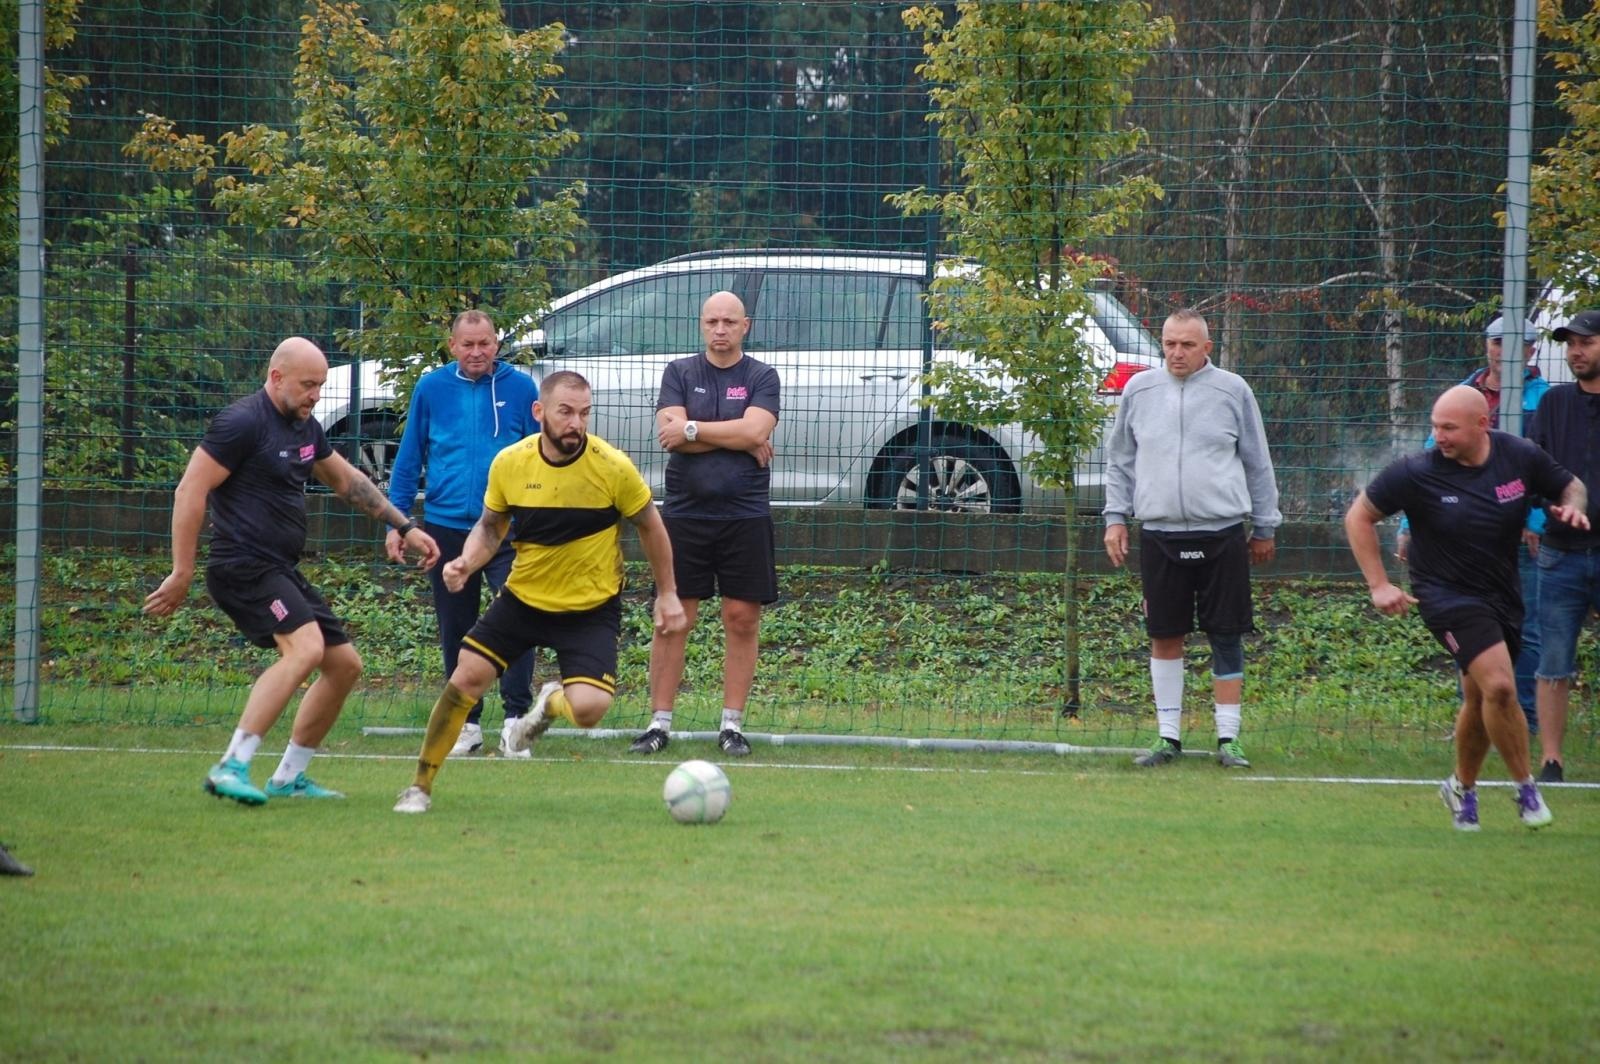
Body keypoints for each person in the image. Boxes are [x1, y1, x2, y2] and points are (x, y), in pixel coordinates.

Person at [144, 337, 441, 805]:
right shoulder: (241, 423)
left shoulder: (305, 427)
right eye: (308, 385)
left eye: (321, 385)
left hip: (279, 568)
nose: (315, 395)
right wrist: (181, 571)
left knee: (344, 667)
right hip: (242, 567)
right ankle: (232, 764)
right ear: (276, 377)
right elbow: (189, 491)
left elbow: (348, 481)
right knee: (304, 650)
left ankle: (288, 778)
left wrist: (404, 526)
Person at [394, 371, 688, 814]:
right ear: (539, 412)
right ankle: (419, 786)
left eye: (584, 413)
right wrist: (466, 562)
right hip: (524, 600)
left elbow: (651, 526)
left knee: (589, 710)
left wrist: (667, 593)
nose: (576, 423)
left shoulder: (613, 467)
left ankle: (551, 701)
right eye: (565, 412)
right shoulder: (511, 463)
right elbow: (490, 528)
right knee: (465, 677)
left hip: (590, 607)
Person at [1345, 385, 1584, 830]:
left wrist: (1572, 508)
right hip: (1445, 595)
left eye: (1449, 428)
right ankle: (1527, 791)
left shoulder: (1519, 456)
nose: (1439, 437)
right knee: (1499, 687)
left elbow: (1571, 486)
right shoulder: (1416, 472)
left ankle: (1461, 788)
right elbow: (1359, 517)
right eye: (1435, 427)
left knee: (1478, 699)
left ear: (1482, 424)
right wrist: (1378, 585)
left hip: (1503, 596)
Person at [1103, 308, 1281, 769]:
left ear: (1207, 346)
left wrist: (1265, 525)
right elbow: (1120, 460)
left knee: (1226, 633)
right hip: (1159, 534)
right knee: (1165, 634)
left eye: (1187, 344)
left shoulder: (1233, 391)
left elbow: (1257, 462)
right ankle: (1168, 738)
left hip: (1222, 533)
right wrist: (1115, 517)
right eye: (1169, 344)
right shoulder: (1139, 391)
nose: (1176, 353)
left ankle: (1228, 739)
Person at [630, 291, 780, 759]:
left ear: (745, 326)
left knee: (742, 618)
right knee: (675, 619)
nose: (720, 329)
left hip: (745, 515)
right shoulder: (679, 372)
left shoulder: (761, 376)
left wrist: (695, 428)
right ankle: (659, 723)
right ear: (701, 325)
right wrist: (730, 435)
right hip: (684, 514)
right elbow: (669, 436)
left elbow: (756, 431)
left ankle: (731, 726)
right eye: (712, 321)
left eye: (729, 322)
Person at [385, 310, 540, 760]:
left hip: (508, 529)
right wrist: (398, 523)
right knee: (456, 626)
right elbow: (410, 456)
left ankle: (516, 722)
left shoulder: (521, 389)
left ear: (497, 344)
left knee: (517, 621)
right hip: (446, 527)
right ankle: (466, 723)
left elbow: (538, 454)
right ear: (452, 346)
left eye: (485, 344)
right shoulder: (431, 388)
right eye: (467, 345)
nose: (477, 353)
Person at [1397, 315, 1550, 736]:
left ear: (1531, 350)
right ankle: (1478, 719)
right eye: (1497, 341)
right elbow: (1427, 472)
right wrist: (1410, 525)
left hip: (1521, 538)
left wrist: (1534, 519)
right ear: (1488, 346)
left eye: (1514, 343)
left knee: (1526, 629)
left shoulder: (1546, 400)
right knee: (1468, 626)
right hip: (1461, 541)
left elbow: (1548, 470)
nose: (1504, 349)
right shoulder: (1460, 398)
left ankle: (1526, 721)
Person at [1527, 308, 1600, 783]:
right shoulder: (1553, 405)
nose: (1575, 351)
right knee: (1553, 659)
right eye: (1570, 343)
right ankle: (1551, 760)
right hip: (1561, 553)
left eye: (1586, 342)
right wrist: (1546, 506)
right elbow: (1532, 472)